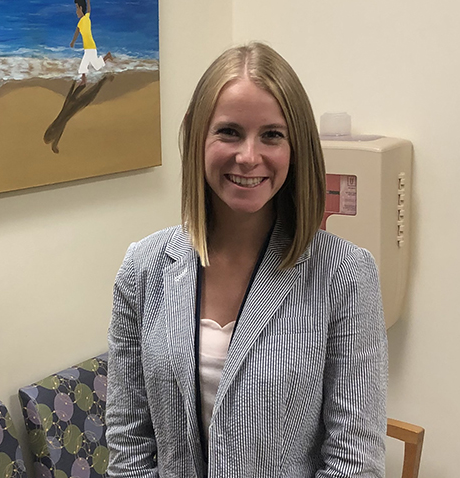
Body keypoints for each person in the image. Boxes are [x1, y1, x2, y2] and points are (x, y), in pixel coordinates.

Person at [106, 42, 388, 478]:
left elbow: (354, 461)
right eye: (229, 132)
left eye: (272, 135)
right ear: (197, 134)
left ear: (296, 149)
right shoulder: (143, 269)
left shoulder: (345, 275)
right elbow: (130, 441)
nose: (249, 156)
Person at [69, 0, 113, 86]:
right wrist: (73, 41)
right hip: (89, 48)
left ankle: (84, 80)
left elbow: (88, 7)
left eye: (76, 8)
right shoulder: (80, 22)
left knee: (83, 66)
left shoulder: (86, 18)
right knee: (96, 66)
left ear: (80, 8)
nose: (76, 11)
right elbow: (77, 31)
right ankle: (107, 56)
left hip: (90, 48)